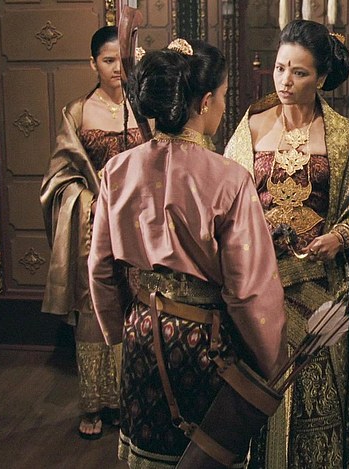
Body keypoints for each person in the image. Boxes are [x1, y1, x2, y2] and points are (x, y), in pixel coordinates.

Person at [88, 38, 287, 468]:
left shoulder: (117, 170)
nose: (223, 107)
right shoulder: (230, 179)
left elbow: (101, 267)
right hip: (205, 342)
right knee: (202, 456)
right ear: (206, 101)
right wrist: (272, 362)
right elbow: (248, 292)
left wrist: (119, 331)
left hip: (142, 331)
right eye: (224, 96)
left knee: (149, 453)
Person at [225, 19, 349, 468]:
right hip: (260, 287)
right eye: (280, 68)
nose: (285, 81)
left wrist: (340, 236)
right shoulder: (251, 128)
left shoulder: (344, 137)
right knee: (261, 394)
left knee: (317, 397)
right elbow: (226, 204)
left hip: (322, 290)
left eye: (299, 72)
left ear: (322, 78)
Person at [40, 25, 147, 440]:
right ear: (93, 63)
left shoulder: (144, 110)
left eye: (122, 60)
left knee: (133, 307)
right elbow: (58, 179)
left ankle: (126, 400)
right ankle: (93, 403)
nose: (117, 68)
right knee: (93, 310)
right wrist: (88, 198)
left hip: (137, 227)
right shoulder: (78, 112)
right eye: (108, 60)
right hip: (95, 223)